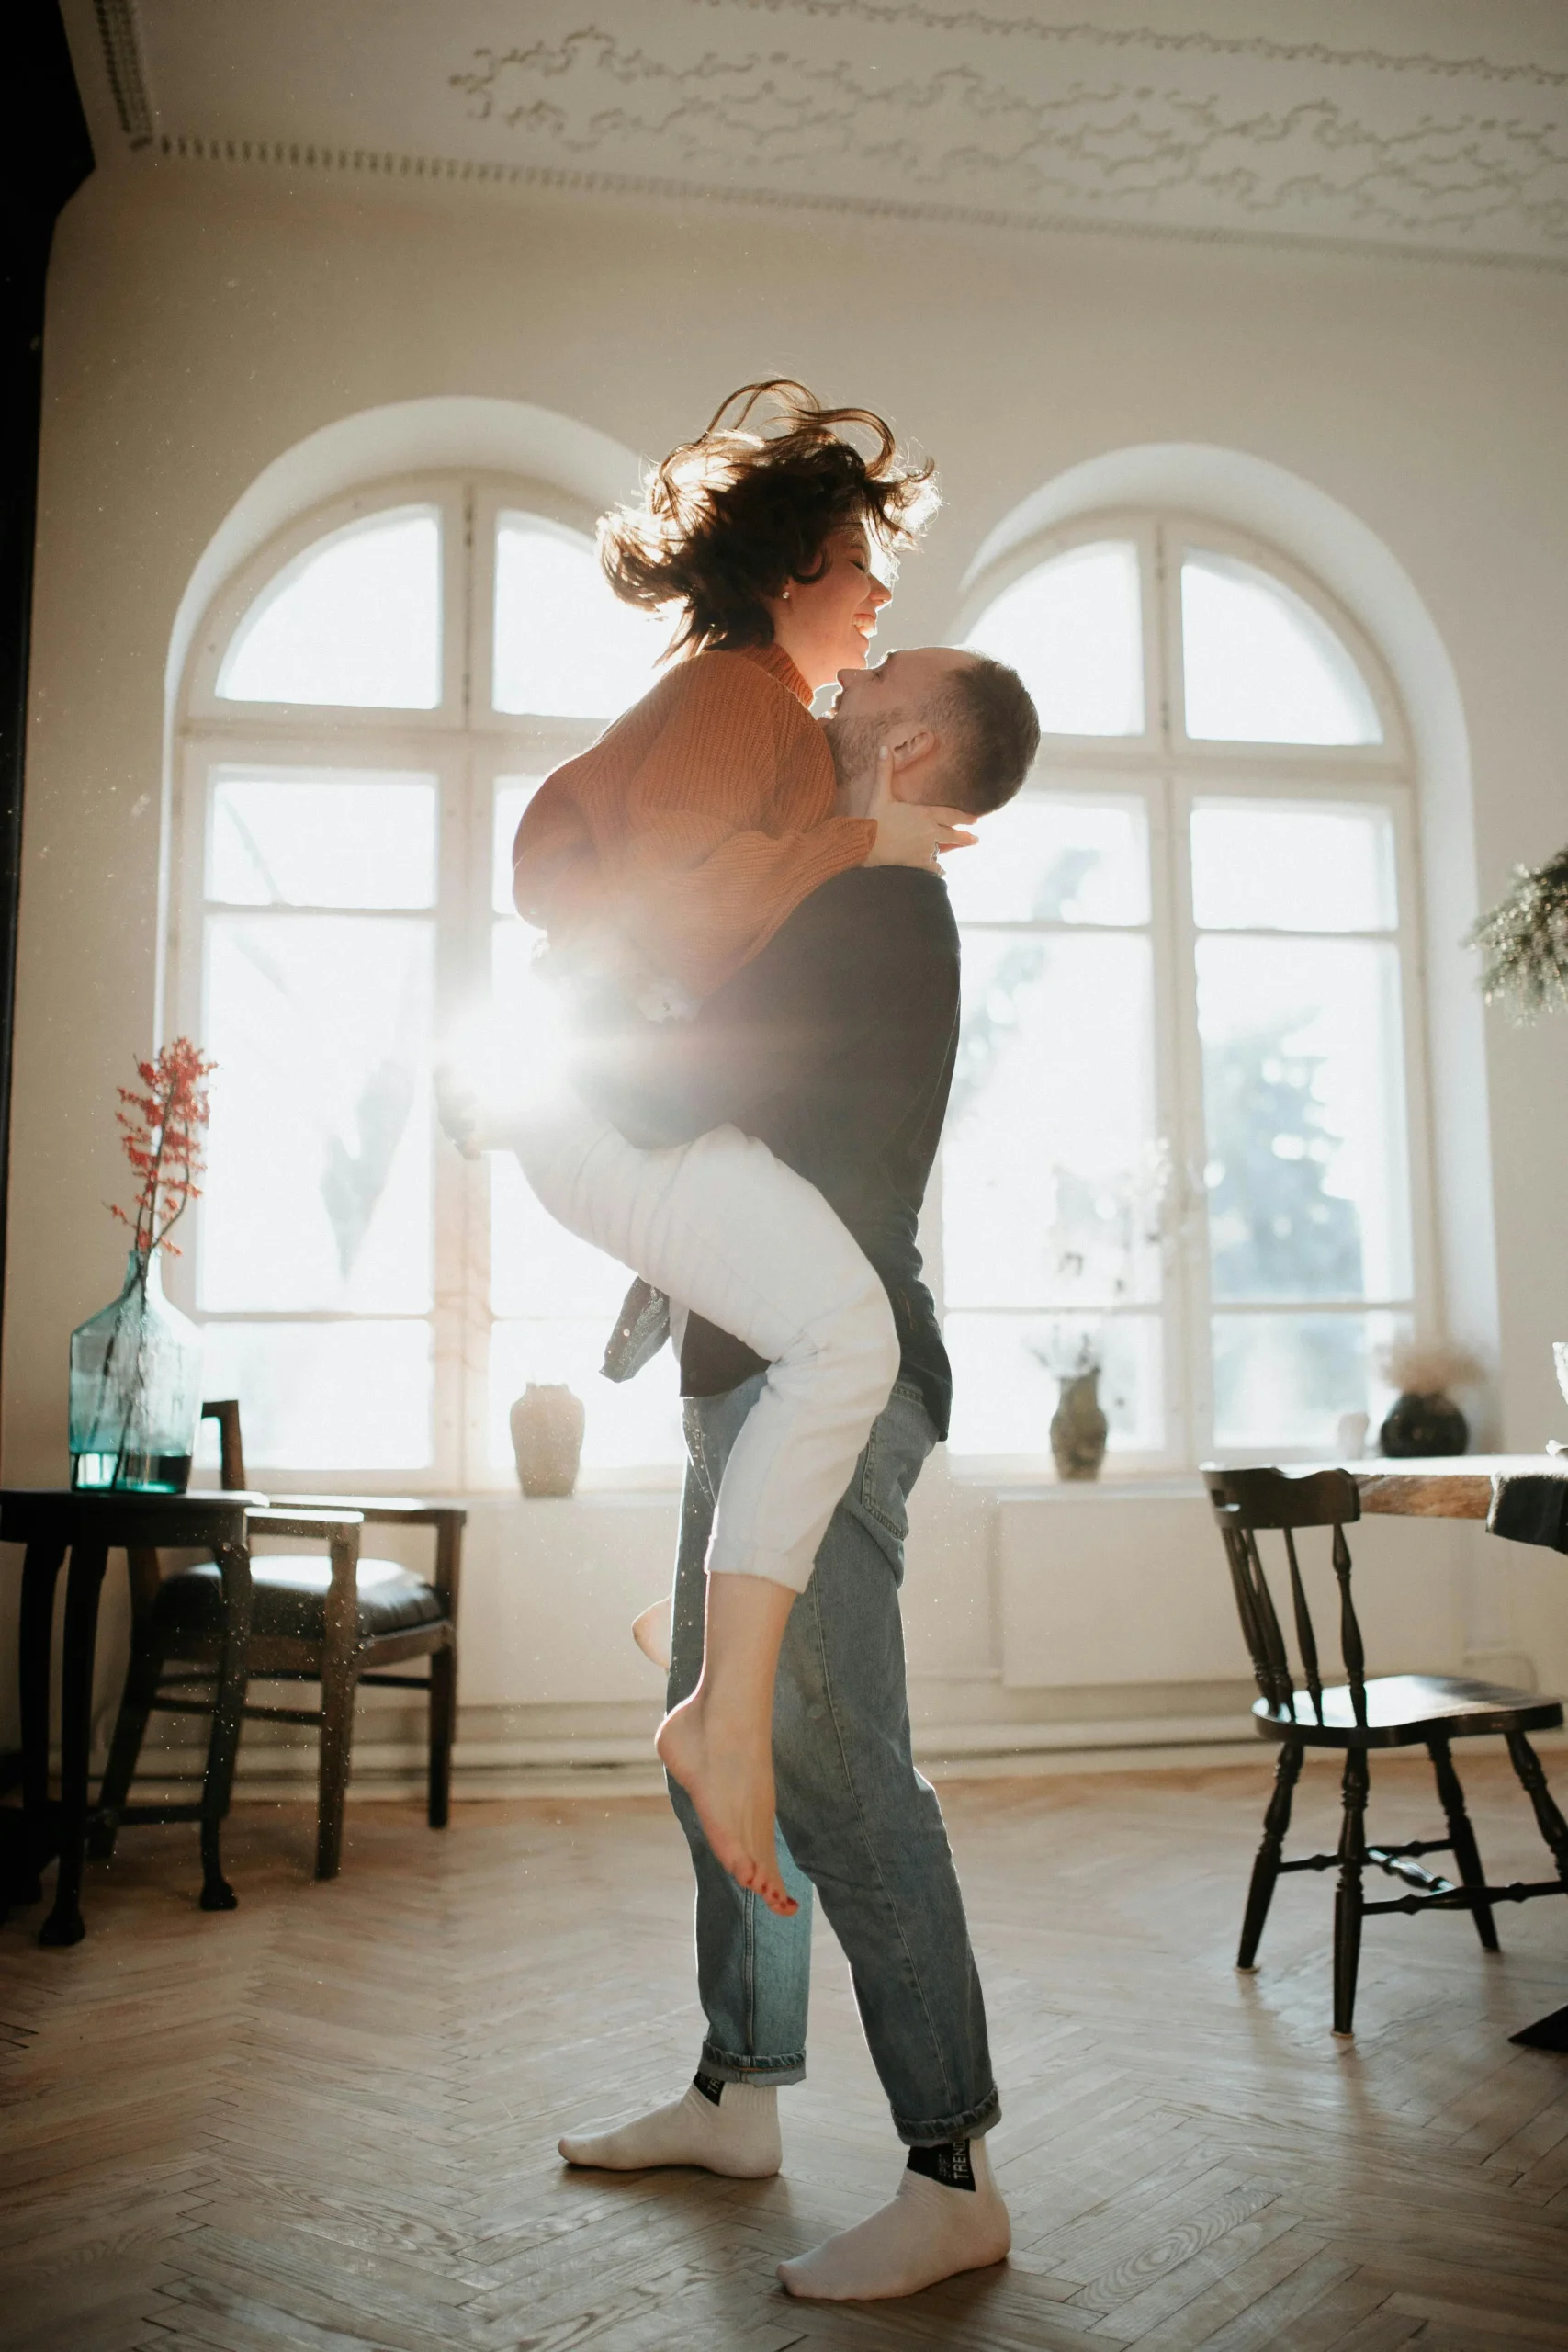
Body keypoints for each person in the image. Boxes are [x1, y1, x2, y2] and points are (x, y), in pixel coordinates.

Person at [448, 383, 1032, 1920]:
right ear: (791, 579)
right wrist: (860, 836)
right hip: (587, 1116)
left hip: (592, 1115)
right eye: (861, 571)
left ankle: (703, 1659)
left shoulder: (783, 737)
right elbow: (671, 921)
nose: (880, 599)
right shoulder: (737, 698)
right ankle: (714, 1698)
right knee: (846, 1335)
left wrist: (858, 827)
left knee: (837, 1335)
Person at [558, 658, 1038, 2301]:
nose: (853, 664)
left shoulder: (878, 906)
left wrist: (571, 1027)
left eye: (883, 674)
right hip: (746, 1379)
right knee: (720, 1742)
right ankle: (736, 2096)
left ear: (906, 741)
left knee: (834, 1774)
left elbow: (687, 1086)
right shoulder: (839, 888)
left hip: (826, 1386)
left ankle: (950, 2167)